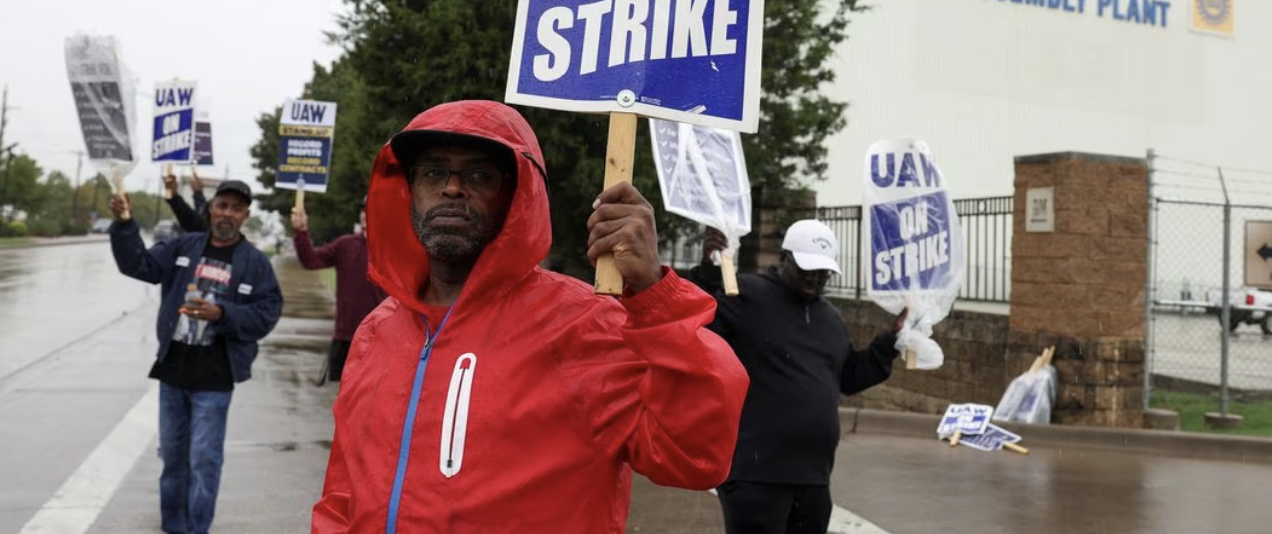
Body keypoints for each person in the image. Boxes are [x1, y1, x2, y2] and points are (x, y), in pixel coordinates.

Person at [311, 100, 749, 533]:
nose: (451, 188)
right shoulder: (377, 330)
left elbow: (693, 456)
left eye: (479, 174)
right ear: (409, 188)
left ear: (516, 194)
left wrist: (656, 294)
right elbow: (343, 492)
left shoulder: (581, 322)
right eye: (433, 172)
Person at [692, 221, 906, 534]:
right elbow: (701, 328)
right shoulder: (747, 295)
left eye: (822, 272)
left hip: (813, 481)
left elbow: (847, 376)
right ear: (783, 259)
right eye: (806, 269)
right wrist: (709, 271)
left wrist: (890, 343)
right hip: (756, 475)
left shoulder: (830, 318)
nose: (814, 278)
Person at [108, 179, 284, 534]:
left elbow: (268, 312)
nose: (227, 214)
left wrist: (224, 314)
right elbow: (139, 266)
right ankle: (174, 526)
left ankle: (197, 528)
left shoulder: (255, 263)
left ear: (245, 215)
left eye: (236, 208)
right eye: (222, 206)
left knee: (203, 460)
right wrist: (125, 224)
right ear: (210, 209)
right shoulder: (183, 246)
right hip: (173, 373)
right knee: (173, 459)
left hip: (215, 379)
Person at [289, 197, 386, 382]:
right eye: (364, 210)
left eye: (373, 210)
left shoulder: (394, 248)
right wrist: (301, 231)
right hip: (345, 337)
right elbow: (311, 261)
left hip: (379, 339)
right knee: (342, 401)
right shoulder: (345, 244)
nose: (366, 215)